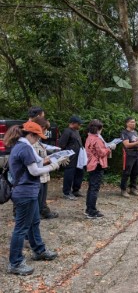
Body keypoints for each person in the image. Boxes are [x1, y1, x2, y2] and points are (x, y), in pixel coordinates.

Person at [4, 122, 66, 275]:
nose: (38, 140)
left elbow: (36, 162)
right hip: (25, 193)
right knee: (21, 228)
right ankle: (15, 262)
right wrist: (54, 165)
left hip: (27, 192)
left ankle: (38, 250)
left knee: (34, 222)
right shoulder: (25, 147)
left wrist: (51, 158)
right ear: (31, 135)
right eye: (38, 137)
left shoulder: (22, 145)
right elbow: (34, 171)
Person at [85, 120, 116, 219]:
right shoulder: (97, 139)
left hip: (91, 163)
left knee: (91, 187)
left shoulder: (89, 137)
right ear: (99, 129)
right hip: (97, 164)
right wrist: (109, 148)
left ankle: (89, 209)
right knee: (94, 188)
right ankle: (92, 211)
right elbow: (101, 153)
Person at [31, 117, 59, 219]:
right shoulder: (32, 143)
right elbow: (35, 162)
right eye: (45, 129)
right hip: (39, 175)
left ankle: (42, 212)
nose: (46, 131)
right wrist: (51, 161)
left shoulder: (38, 141)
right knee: (38, 196)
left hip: (44, 175)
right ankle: (36, 215)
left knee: (42, 197)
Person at [59, 116, 85, 201]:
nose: (80, 125)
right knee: (69, 174)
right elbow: (61, 144)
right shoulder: (67, 131)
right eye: (78, 124)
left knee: (79, 172)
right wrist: (64, 156)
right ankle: (67, 192)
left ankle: (76, 190)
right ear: (73, 123)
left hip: (79, 157)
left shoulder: (76, 131)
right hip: (70, 157)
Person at [120, 117, 138, 198]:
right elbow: (127, 145)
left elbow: (136, 143)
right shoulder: (124, 133)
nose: (134, 123)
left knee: (135, 172)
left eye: (134, 122)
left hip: (136, 154)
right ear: (127, 123)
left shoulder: (135, 132)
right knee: (127, 172)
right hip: (128, 154)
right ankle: (123, 190)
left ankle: (132, 188)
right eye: (132, 122)